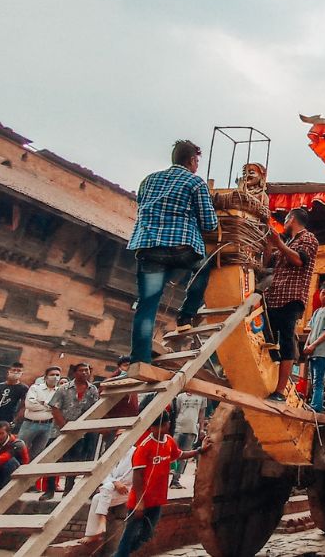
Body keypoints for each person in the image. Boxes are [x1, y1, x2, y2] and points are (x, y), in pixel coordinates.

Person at [126, 140, 219, 362]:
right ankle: (186, 315)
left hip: (147, 248)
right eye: (197, 160)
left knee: (147, 304)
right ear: (191, 161)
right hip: (181, 249)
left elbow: (142, 207)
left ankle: (139, 359)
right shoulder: (195, 183)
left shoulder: (148, 180)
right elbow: (209, 223)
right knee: (204, 265)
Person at [114, 410, 210, 557]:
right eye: (156, 427)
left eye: (163, 426)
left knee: (147, 534)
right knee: (128, 535)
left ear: (168, 425)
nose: (160, 429)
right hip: (141, 500)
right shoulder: (144, 447)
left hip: (157, 499)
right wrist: (139, 502)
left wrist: (198, 451)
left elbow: (179, 455)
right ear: (151, 428)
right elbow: (138, 476)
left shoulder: (169, 441)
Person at [263, 207, 319, 402]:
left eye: (285, 220)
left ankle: (279, 391)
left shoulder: (308, 238)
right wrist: (269, 245)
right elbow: (268, 264)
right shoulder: (288, 242)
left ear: (291, 219)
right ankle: (268, 380)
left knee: (286, 342)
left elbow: (298, 260)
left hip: (291, 297)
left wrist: (278, 242)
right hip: (274, 296)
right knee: (266, 337)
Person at [49, 362, 100, 497]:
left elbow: (95, 409)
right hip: (59, 430)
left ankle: (68, 489)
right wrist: (64, 426)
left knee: (73, 460)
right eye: (81, 370)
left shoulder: (93, 390)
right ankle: (49, 490)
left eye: (87, 370)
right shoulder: (63, 388)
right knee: (53, 460)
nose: (84, 373)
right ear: (75, 372)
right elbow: (55, 408)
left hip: (79, 432)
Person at [82, 442, 134, 544]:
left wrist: (115, 483)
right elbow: (104, 473)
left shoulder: (135, 453)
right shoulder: (112, 452)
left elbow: (130, 477)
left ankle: (102, 520)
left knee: (106, 488)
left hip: (127, 489)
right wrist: (114, 482)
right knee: (97, 497)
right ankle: (93, 534)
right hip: (110, 489)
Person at [18, 366, 59, 485]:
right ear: (46, 377)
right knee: (19, 450)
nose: (55, 377)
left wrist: (43, 404)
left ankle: (28, 483)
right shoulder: (36, 388)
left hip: (48, 426)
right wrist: (49, 406)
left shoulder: (60, 391)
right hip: (30, 424)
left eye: (57, 375)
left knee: (36, 455)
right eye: (52, 374)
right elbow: (30, 405)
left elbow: (58, 408)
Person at [302, 283, 325, 410]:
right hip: (312, 350)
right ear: (319, 294)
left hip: (321, 350)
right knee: (313, 380)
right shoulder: (317, 311)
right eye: (323, 293)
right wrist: (307, 345)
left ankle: (316, 407)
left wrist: (313, 345)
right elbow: (311, 330)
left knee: (318, 381)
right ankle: (314, 405)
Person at [170, 391, 207, 489]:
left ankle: (175, 480)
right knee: (172, 454)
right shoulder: (180, 397)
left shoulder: (202, 397)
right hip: (179, 428)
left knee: (184, 456)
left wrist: (201, 429)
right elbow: (177, 412)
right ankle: (167, 477)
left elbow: (201, 414)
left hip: (191, 429)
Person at [0, 421, 29, 489]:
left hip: (17, 472)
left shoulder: (18, 444)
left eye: (1, 433)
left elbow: (25, 462)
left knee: (11, 462)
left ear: (8, 433)